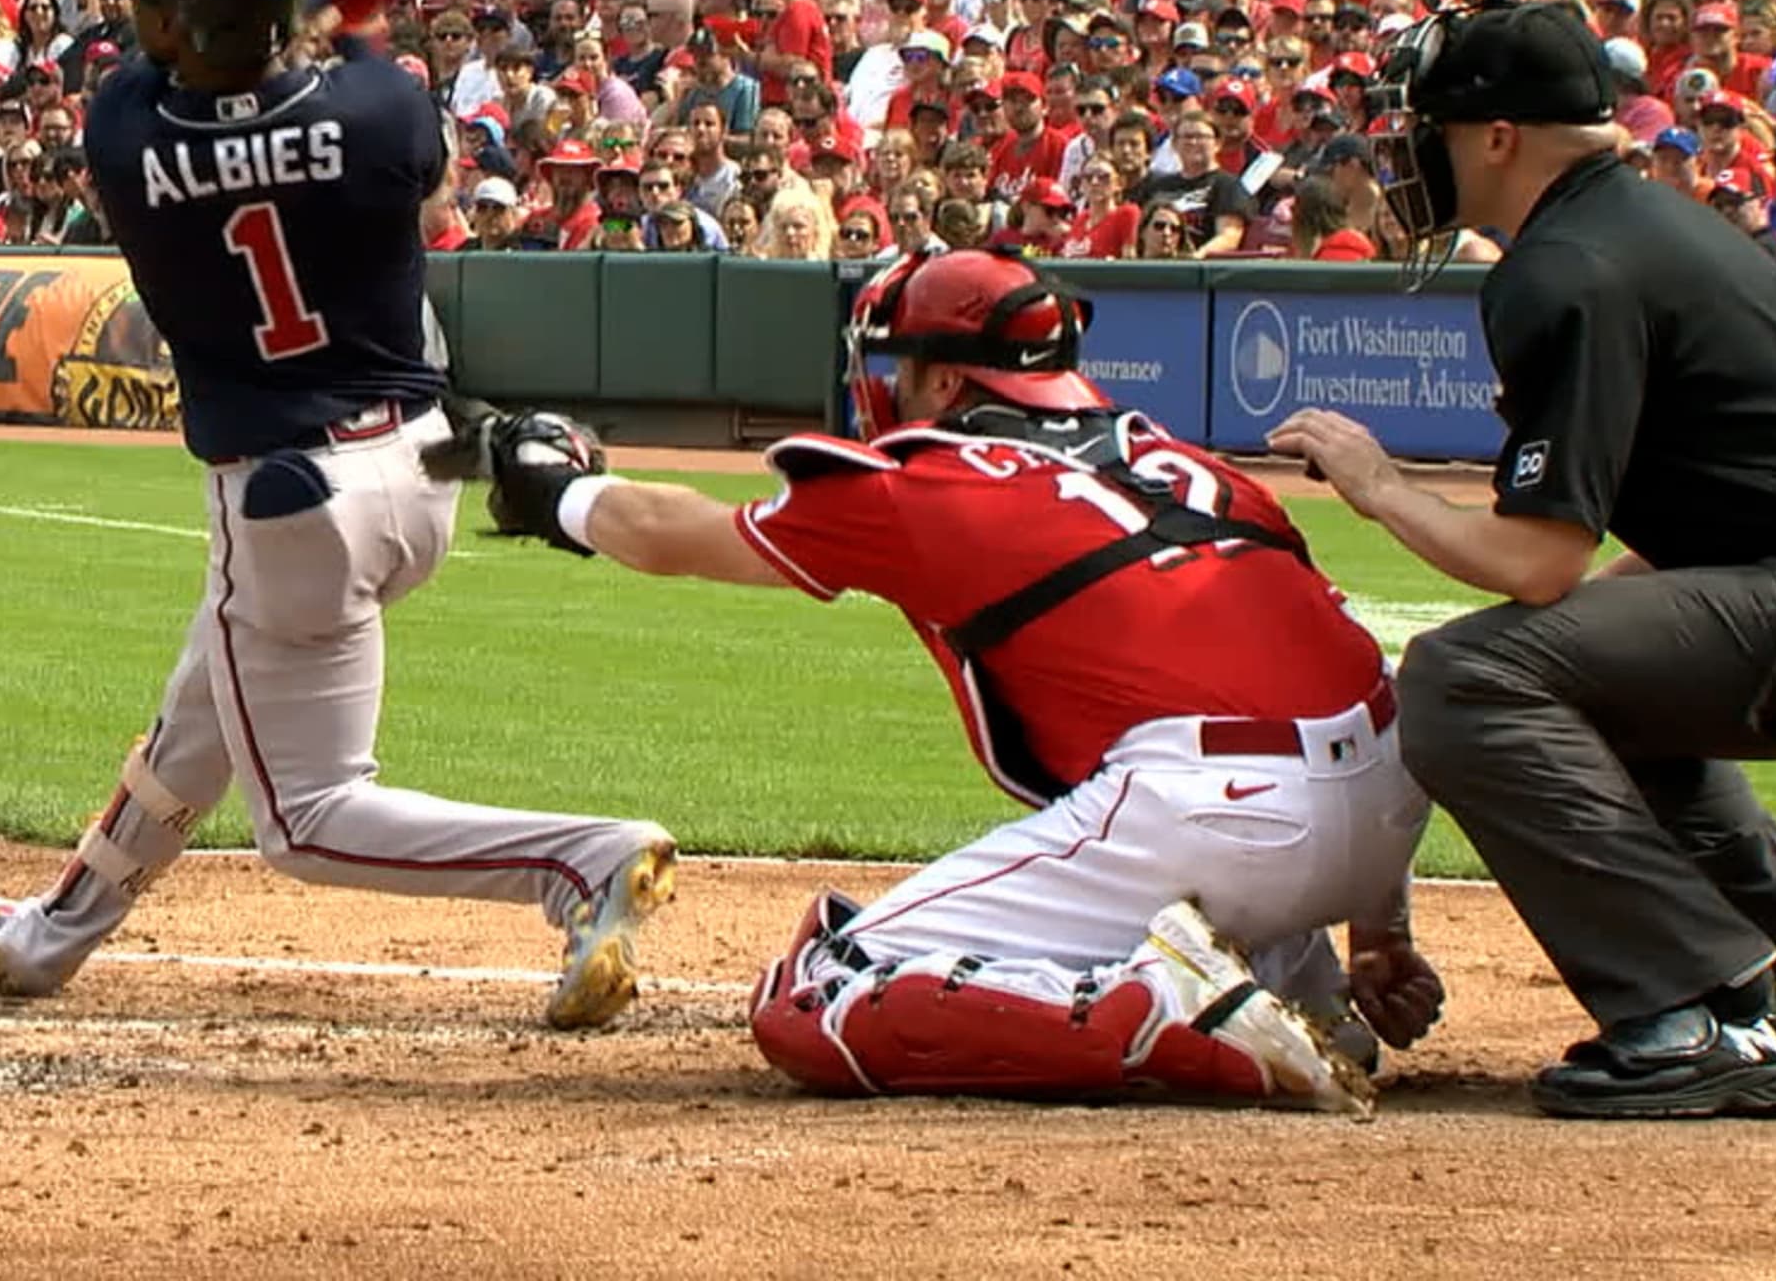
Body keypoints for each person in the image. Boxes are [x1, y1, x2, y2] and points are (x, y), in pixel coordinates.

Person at [0, 0, 676, 1031]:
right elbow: (339, 69)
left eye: (146, 1)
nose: (127, 14)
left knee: (309, 819)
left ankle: (581, 861)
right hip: (423, 472)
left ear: (184, 24)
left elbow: (215, 61)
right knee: (202, 715)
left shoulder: (127, 138)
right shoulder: (386, 118)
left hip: (289, 508)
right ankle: (47, 941)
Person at [464, 248, 1432, 1111]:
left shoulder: (930, 477)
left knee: (815, 992)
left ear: (939, 375)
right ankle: (1296, 993)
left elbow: (672, 535)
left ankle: (1155, 1010)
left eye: (900, 365)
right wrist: (1377, 930)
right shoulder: (1188, 462)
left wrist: (558, 488)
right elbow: (1354, 673)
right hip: (1383, 808)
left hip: (1214, 817)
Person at [1270, 0, 1776, 1119]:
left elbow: (1537, 562)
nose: (1414, 155)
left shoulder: (1567, 265)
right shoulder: (1657, 226)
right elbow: (1724, 521)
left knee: (1465, 677)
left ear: (1499, 137)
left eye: (1435, 129)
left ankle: (1691, 1008)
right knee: (1577, 676)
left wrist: (1381, 483)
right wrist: (1586, 639)